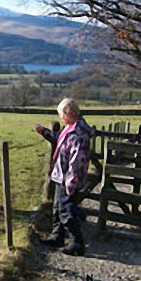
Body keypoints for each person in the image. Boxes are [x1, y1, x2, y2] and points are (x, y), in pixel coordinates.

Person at [35, 98, 93, 256]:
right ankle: (57, 236)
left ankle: (77, 243)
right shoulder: (70, 128)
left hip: (68, 180)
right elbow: (58, 140)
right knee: (57, 209)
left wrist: (71, 184)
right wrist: (44, 132)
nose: (60, 117)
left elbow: (77, 162)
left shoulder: (79, 135)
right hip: (61, 176)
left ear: (69, 114)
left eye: (61, 114)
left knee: (66, 211)